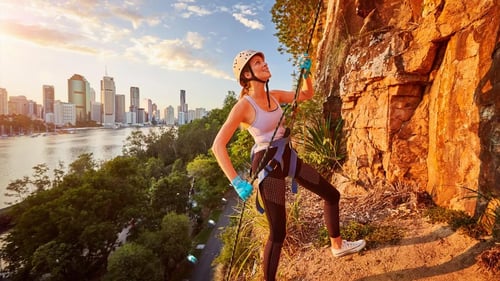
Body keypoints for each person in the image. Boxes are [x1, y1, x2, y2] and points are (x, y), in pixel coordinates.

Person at [211, 50, 366, 281]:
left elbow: (306, 94)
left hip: (288, 157)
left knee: (331, 194)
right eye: (257, 63)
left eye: (263, 61)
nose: (264, 65)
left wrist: (307, 73)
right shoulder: (244, 106)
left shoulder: (274, 95)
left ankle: (338, 245)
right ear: (247, 75)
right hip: (268, 167)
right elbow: (217, 146)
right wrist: (236, 181)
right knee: (278, 232)